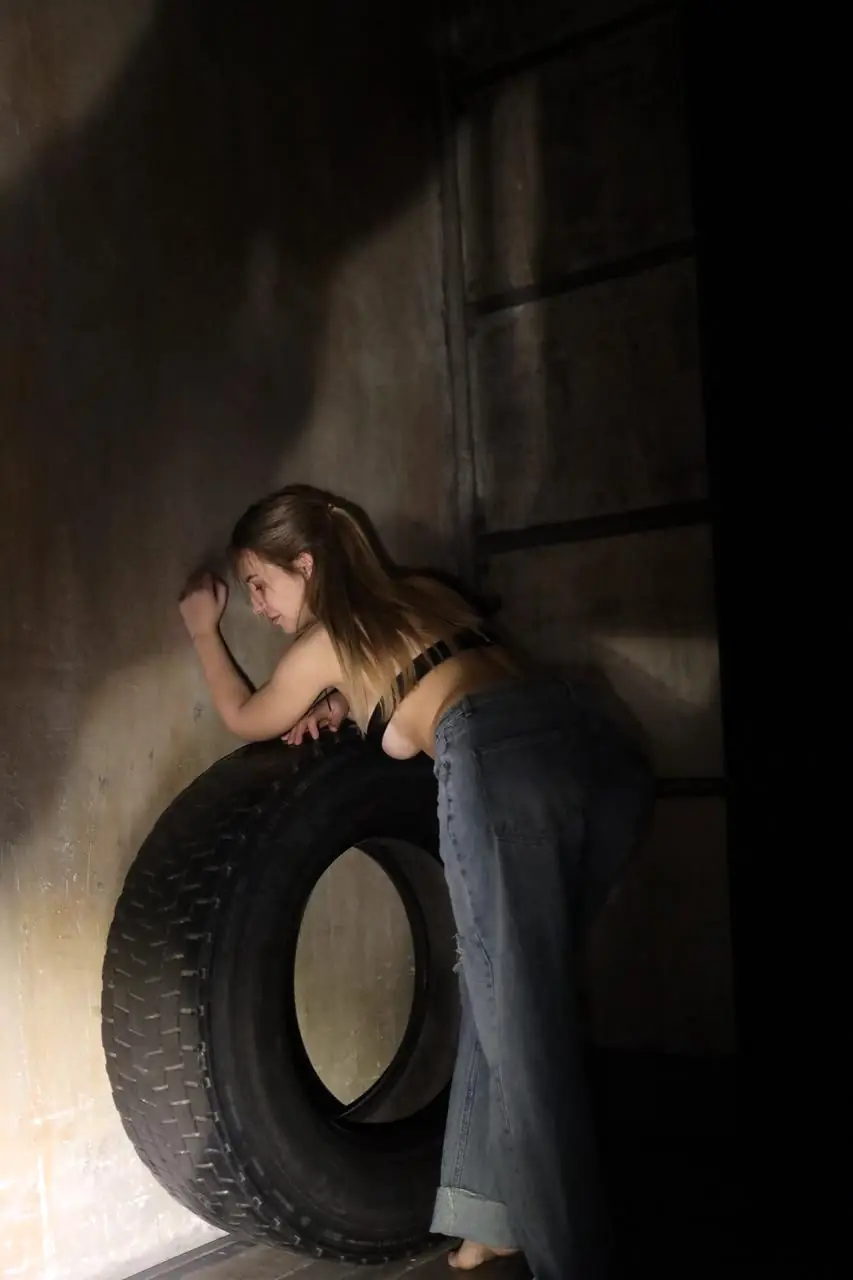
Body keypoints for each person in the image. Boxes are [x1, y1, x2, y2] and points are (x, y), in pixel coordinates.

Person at [178, 483, 653, 1279]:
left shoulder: (321, 645)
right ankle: (488, 1215)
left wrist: (202, 629)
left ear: (305, 565)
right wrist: (342, 702)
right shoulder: (422, 596)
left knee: (523, 1029)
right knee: (505, 996)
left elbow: (245, 715)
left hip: (501, 762)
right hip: (592, 747)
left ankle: (575, 1262)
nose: (257, 605)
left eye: (260, 584)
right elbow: (418, 674)